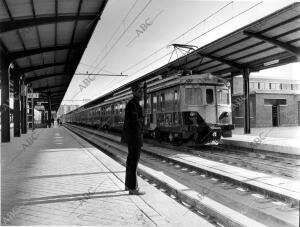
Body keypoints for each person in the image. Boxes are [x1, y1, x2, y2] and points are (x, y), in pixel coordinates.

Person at [121, 82, 145, 195]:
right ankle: (133, 188)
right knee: (133, 162)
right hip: (135, 137)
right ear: (135, 93)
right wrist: (143, 118)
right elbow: (135, 121)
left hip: (133, 136)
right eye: (140, 92)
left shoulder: (132, 104)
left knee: (130, 161)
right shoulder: (133, 104)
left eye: (141, 92)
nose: (142, 94)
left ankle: (128, 185)